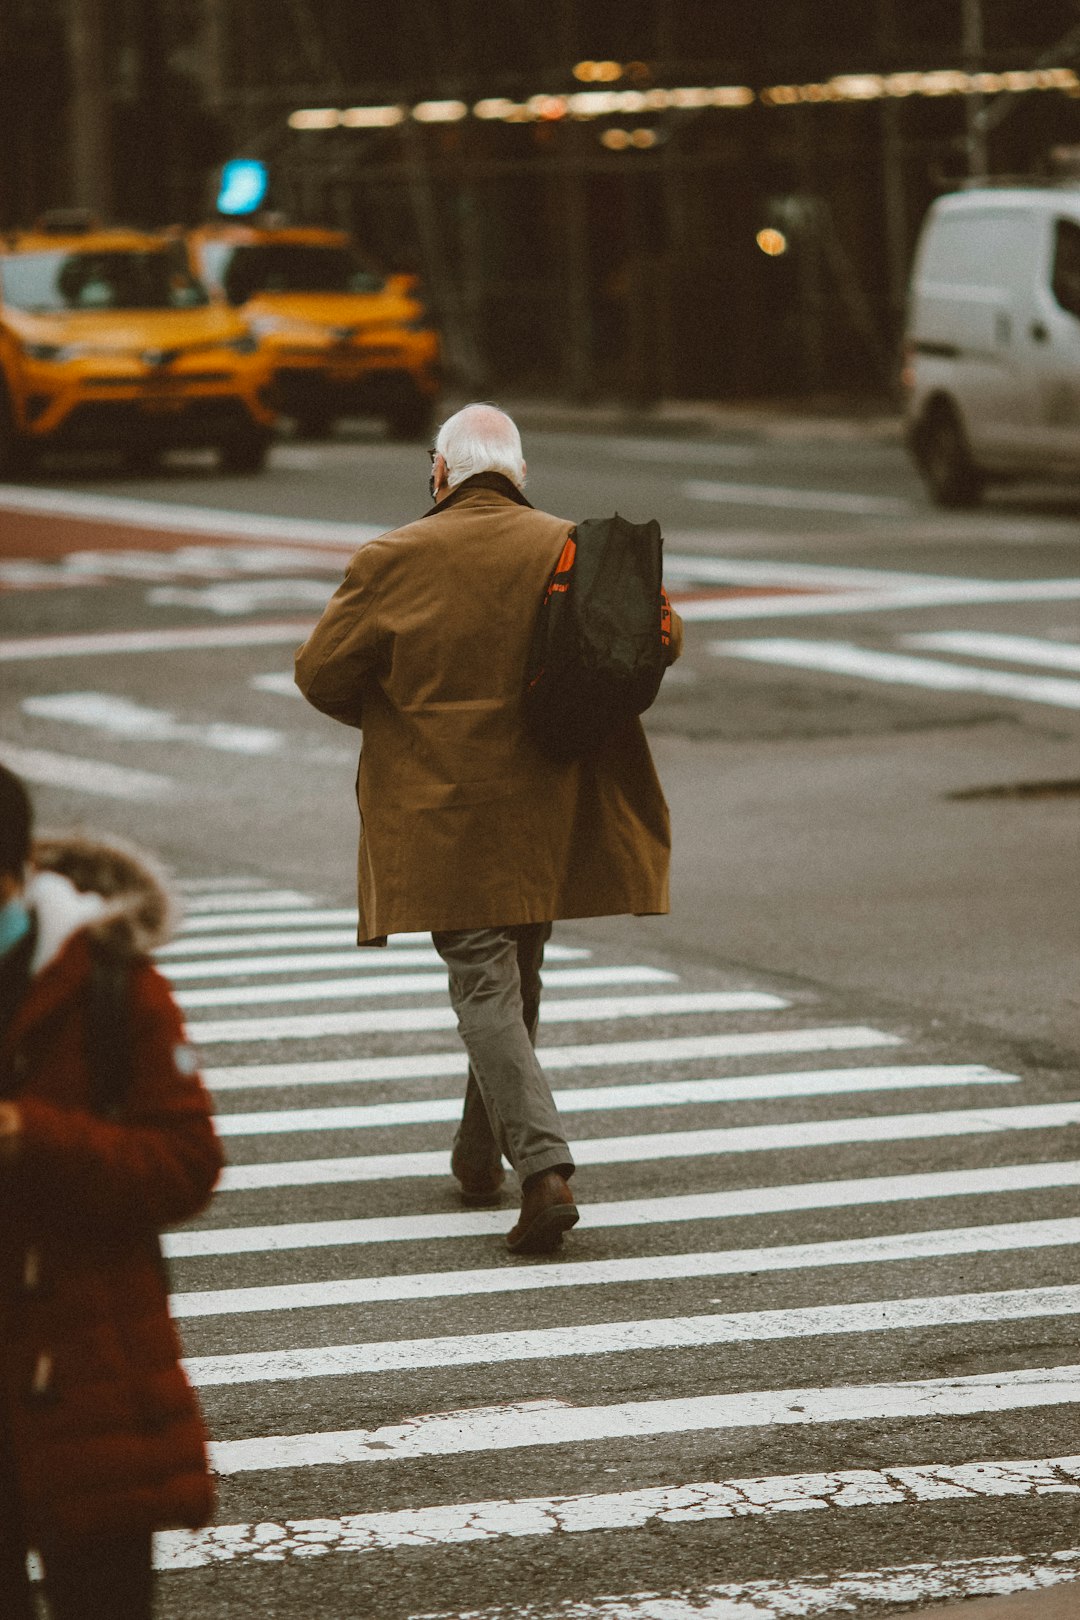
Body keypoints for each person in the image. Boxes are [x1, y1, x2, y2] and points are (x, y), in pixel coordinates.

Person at [295, 403, 682, 1254]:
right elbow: (660, 638)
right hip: (549, 800)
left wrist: (404, 718)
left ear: (440, 473)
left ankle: (542, 1168)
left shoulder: (389, 558)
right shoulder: (570, 545)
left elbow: (321, 673)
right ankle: (479, 1158)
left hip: (441, 808)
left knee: (482, 983)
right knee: (517, 978)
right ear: (518, 474)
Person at [0, 763, 223, 1620]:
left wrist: (35, 1137)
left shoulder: (106, 984)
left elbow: (185, 1161)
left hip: (85, 1359)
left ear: (18, 876)